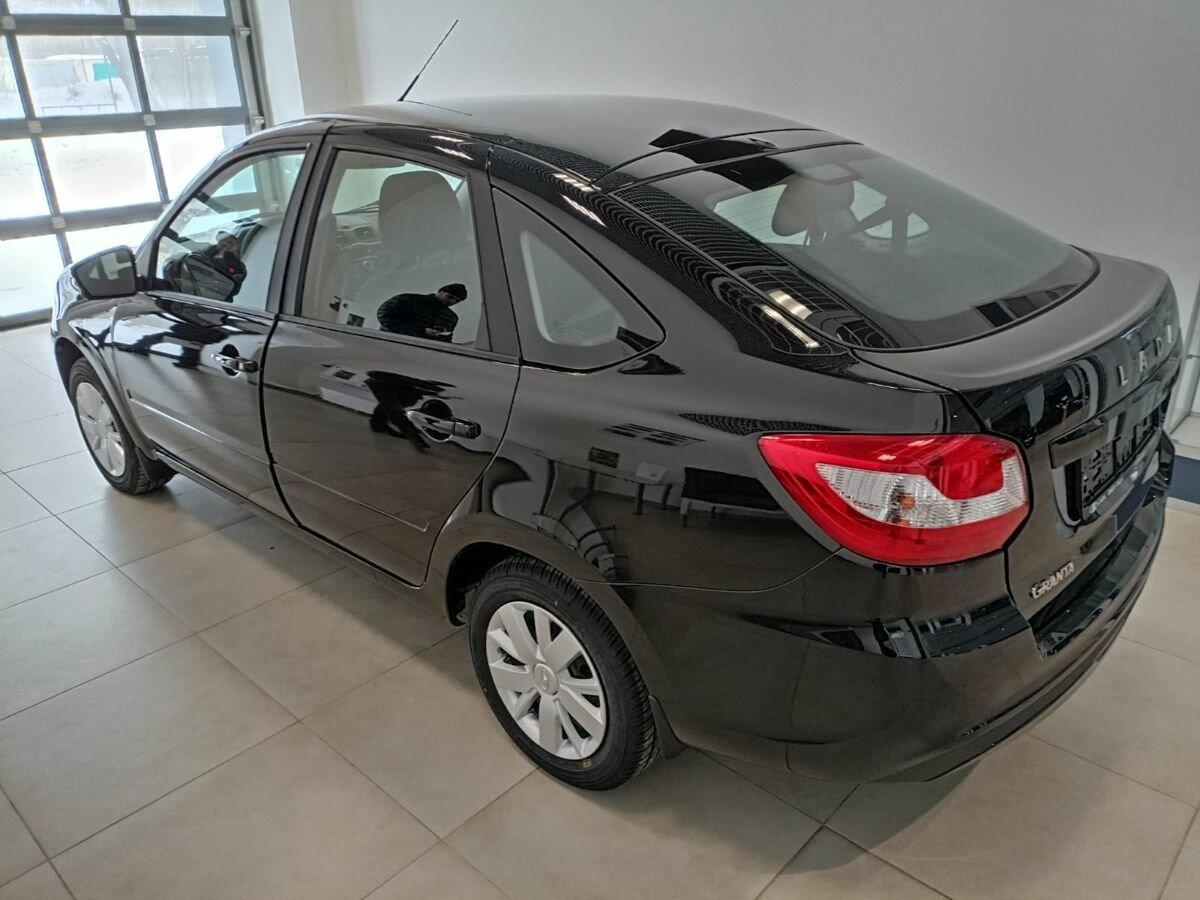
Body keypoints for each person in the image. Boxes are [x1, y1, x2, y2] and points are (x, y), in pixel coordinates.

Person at [377, 283, 467, 341]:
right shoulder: (408, 300)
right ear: (440, 292)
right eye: (450, 297)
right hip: (391, 342)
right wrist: (421, 331)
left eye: (457, 300)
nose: (452, 301)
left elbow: (446, 339)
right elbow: (384, 317)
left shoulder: (452, 317)